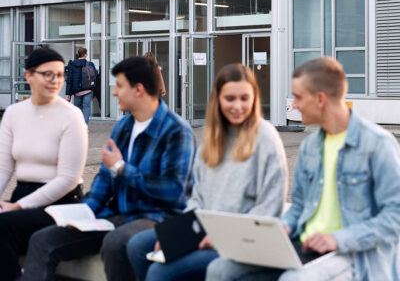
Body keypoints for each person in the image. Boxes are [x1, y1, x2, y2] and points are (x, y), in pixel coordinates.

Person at [207, 57, 400, 281]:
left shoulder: (377, 143)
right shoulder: (310, 146)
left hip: (352, 254)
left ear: (320, 99)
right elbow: (298, 206)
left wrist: (338, 238)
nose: (294, 105)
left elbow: (394, 216)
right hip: (303, 247)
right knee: (220, 270)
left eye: (298, 97)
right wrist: (283, 228)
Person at [22, 56, 195, 281]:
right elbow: (104, 180)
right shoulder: (123, 126)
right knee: (43, 239)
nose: (114, 92)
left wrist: (123, 169)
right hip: (115, 215)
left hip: (156, 217)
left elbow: (174, 191)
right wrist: (82, 213)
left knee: (117, 243)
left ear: (139, 89)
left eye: (119, 86)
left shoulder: (176, 131)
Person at [126, 63, 288, 281]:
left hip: (242, 240)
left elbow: (270, 208)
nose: (238, 106)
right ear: (218, 100)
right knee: (137, 246)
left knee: (159, 273)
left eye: (244, 98)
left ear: (254, 98)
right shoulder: (211, 140)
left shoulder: (266, 138)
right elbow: (196, 198)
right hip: (203, 230)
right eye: (230, 99)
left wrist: (223, 237)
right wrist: (178, 234)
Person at [0, 48, 88, 281]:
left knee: (2, 226)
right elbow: (3, 168)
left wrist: (18, 207)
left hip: (61, 203)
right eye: (47, 74)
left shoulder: (71, 116)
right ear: (29, 75)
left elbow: (68, 179)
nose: (55, 80)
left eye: (60, 75)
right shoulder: (13, 113)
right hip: (23, 195)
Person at [66, 47, 98, 124]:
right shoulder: (90, 64)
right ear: (85, 55)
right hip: (88, 90)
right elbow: (96, 75)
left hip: (77, 91)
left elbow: (69, 79)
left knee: (77, 109)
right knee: (86, 108)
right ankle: (85, 127)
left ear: (78, 55)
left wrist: (68, 94)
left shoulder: (72, 64)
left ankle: (78, 126)